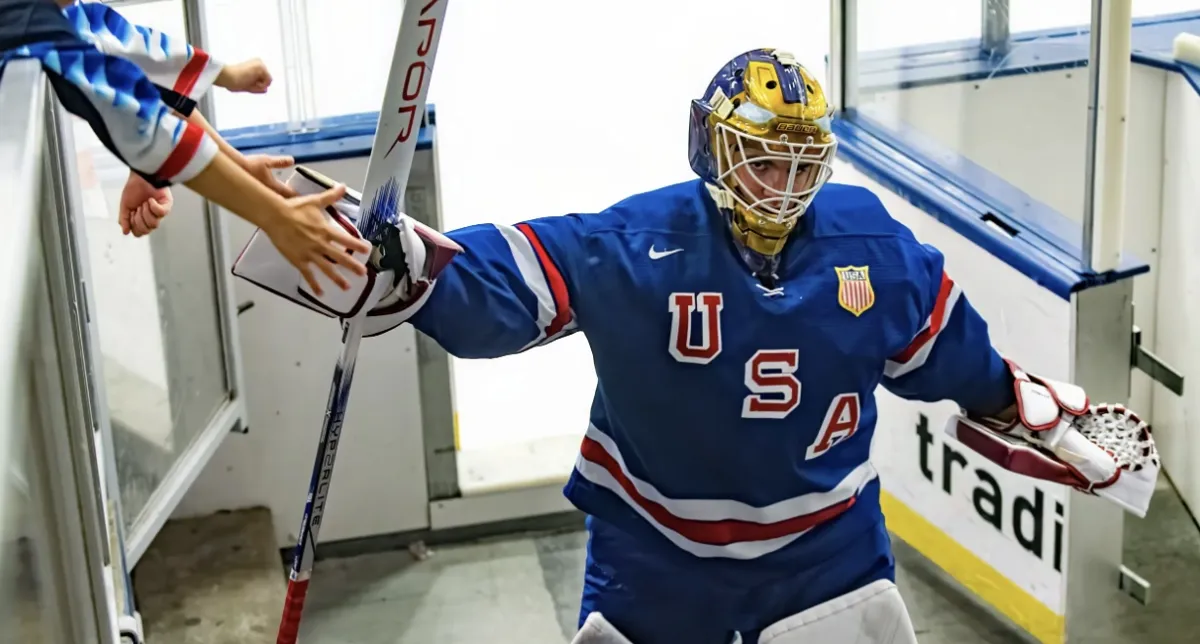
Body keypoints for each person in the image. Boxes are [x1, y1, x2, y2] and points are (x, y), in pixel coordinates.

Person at [235, 48, 1153, 643]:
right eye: (762, 158)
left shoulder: (871, 248)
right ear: (710, 149)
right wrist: (404, 268)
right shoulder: (637, 244)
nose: (782, 184)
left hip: (823, 554)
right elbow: (498, 291)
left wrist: (1025, 407)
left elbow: (957, 359)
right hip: (656, 562)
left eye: (802, 163)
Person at [0, 0, 368, 295]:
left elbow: (109, 36)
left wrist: (235, 156)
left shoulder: (44, 12)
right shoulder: (21, 15)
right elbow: (133, 113)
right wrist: (272, 215)